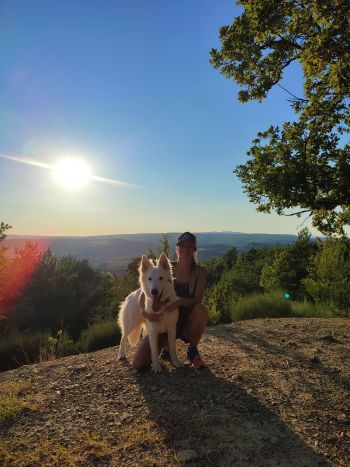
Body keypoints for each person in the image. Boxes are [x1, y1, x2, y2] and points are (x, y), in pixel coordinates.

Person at [132, 231, 209, 370]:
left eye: (189, 246)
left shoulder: (201, 272)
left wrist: (176, 302)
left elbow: (197, 300)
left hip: (187, 323)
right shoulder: (164, 268)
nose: (185, 249)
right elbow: (144, 293)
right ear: (177, 248)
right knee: (138, 363)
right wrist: (145, 312)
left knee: (201, 310)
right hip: (163, 321)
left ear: (194, 249)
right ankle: (167, 351)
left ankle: (192, 350)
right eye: (182, 245)